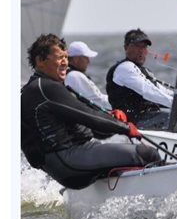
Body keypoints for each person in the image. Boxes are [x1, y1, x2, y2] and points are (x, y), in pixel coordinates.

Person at [21, 34, 162, 190]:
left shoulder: (38, 88)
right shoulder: (46, 88)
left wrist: (110, 116)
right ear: (40, 61)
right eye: (59, 58)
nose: (65, 62)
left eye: (66, 57)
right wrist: (125, 127)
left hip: (65, 163)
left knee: (123, 164)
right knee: (148, 154)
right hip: (69, 159)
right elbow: (89, 117)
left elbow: (89, 122)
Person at [106, 28, 177, 129]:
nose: (141, 51)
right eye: (137, 46)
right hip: (131, 123)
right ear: (126, 47)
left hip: (148, 117)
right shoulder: (125, 68)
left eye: (144, 47)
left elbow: (161, 91)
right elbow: (148, 91)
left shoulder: (144, 71)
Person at [64, 40, 112, 110]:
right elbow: (98, 101)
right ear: (76, 59)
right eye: (86, 58)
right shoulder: (75, 76)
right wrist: (118, 102)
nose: (88, 61)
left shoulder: (69, 74)